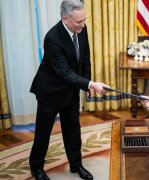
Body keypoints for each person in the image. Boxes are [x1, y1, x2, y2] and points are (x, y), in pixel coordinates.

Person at [29, 0, 110, 179]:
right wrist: (91, 84)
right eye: (78, 21)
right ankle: (36, 167)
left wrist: (88, 83)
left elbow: (85, 57)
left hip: (71, 90)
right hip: (50, 91)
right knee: (43, 132)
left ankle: (76, 165)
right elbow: (64, 72)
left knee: (73, 130)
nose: (83, 24)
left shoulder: (82, 28)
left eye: (84, 20)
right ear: (65, 18)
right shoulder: (52, 38)